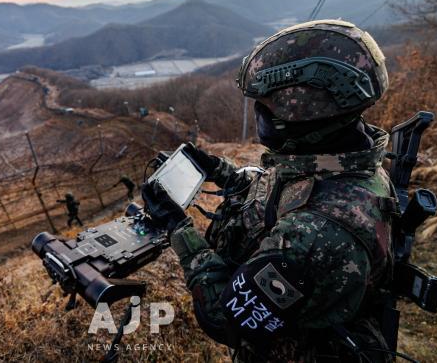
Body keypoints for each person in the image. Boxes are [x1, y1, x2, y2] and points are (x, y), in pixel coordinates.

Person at [142, 20, 396, 362]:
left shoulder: (313, 236)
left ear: (302, 110)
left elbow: (226, 318)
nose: (259, 113)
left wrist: (179, 230)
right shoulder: (340, 159)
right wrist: (222, 173)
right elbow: (285, 197)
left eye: (264, 105)